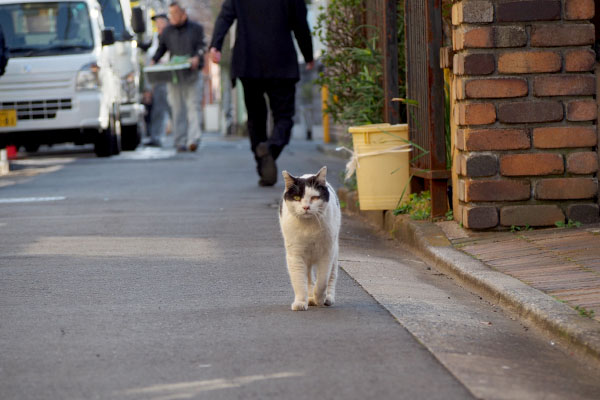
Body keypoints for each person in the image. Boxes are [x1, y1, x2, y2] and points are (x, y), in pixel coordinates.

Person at [209, 0, 314, 186]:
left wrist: (215, 45)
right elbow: (300, 22)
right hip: (281, 62)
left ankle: (263, 164)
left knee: (256, 117)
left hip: (248, 62)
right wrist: (308, 55)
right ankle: (270, 149)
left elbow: (225, 16)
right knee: (284, 116)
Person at [151, 2, 205, 152]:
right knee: (177, 108)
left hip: (192, 73)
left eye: (175, 14)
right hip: (174, 75)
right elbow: (161, 49)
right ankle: (180, 140)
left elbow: (202, 47)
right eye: (170, 14)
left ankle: (193, 139)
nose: (172, 17)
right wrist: (153, 60)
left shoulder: (196, 29)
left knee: (193, 106)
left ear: (183, 14)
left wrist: (196, 58)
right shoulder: (167, 31)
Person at [143, 13, 170, 147]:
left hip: (172, 76)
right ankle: (156, 137)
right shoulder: (154, 40)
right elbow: (149, 61)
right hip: (158, 78)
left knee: (175, 109)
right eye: (157, 23)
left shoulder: (172, 35)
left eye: (161, 22)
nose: (158, 25)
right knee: (158, 109)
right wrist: (148, 88)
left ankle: (182, 138)